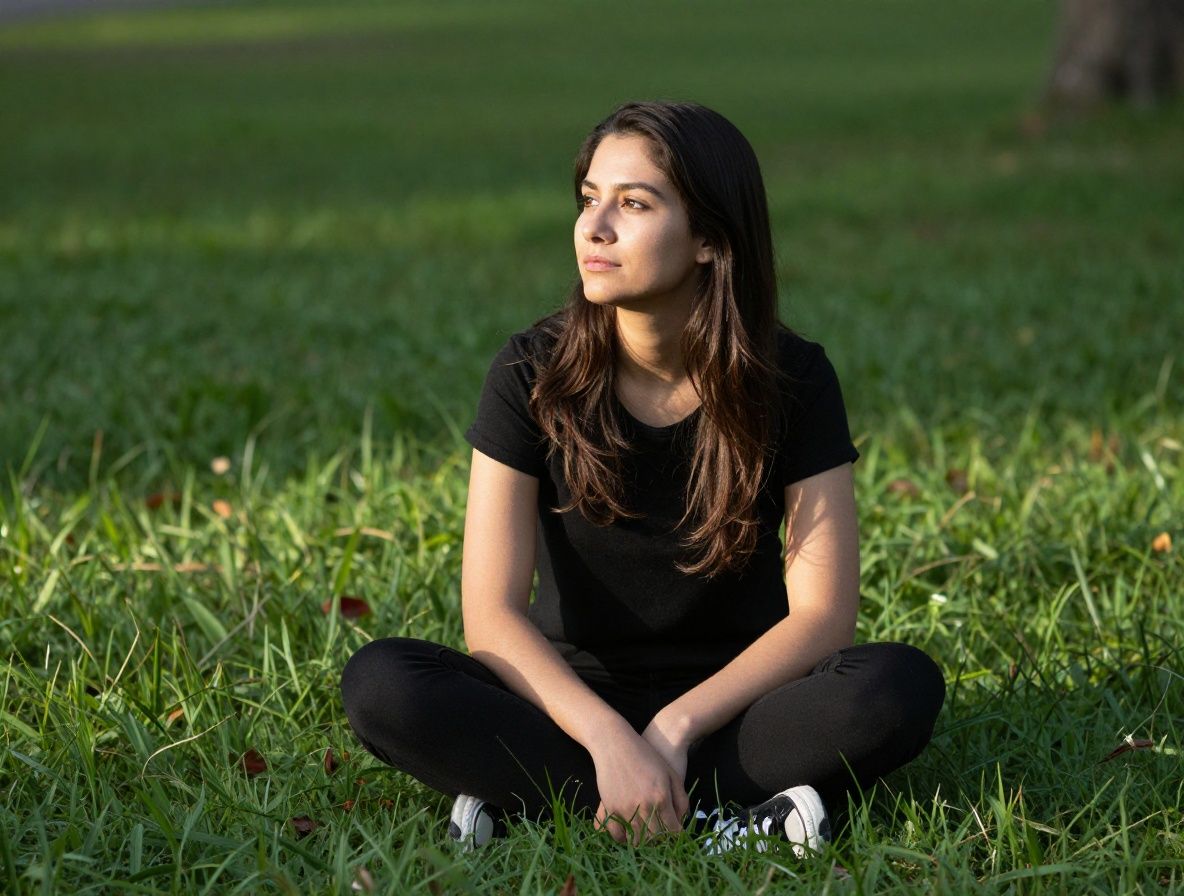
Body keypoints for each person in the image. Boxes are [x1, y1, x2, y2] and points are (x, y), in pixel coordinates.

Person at [341, 101, 945, 853]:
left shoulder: (793, 378)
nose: (594, 228)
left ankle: (540, 805)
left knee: (895, 688)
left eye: (633, 203)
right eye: (590, 199)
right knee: (382, 684)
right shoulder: (530, 371)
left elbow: (822, 618)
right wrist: (607, 737)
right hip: (567, 705)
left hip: (737, 707)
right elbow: (491, 615)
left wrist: (671, 728)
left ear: (708, 240)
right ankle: (738, 814)